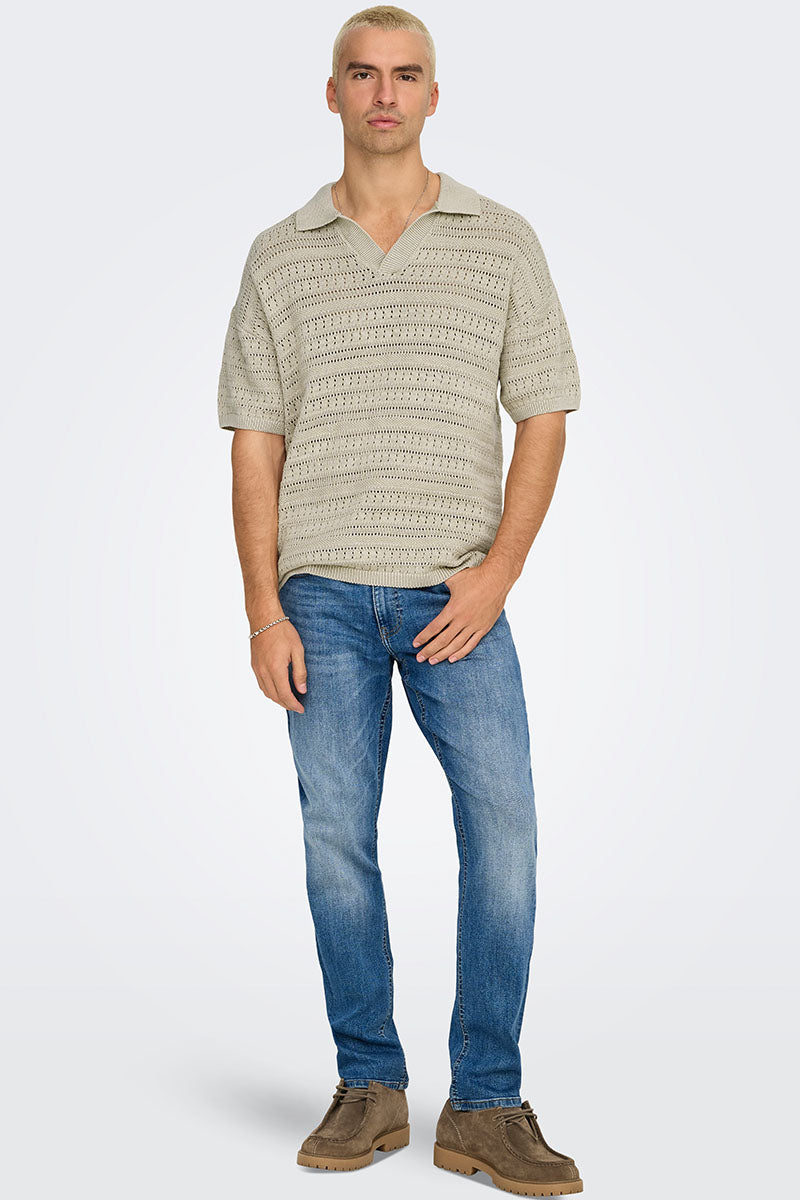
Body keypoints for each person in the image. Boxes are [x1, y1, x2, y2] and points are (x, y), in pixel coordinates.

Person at [216, 6, 583, 1194]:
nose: (384, 93)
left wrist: (498, 574)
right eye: (362, 74)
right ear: (331, 94)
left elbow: (544, 413)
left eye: (405, 74)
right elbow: (255, 442)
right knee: (336, 840)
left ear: (432, 93)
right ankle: (369, 1084)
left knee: (504, 832)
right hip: (319, 596)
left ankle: (484, 1104)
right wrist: (263, 611)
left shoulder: (499, 239)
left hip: (454, 594)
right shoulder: (279, 254)